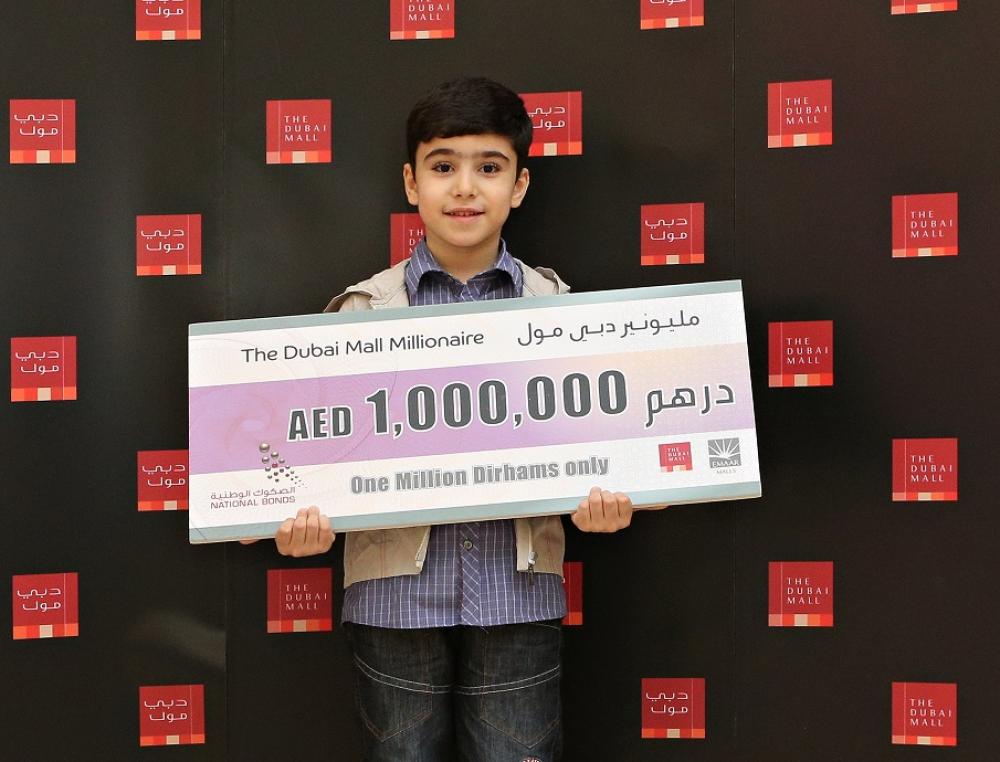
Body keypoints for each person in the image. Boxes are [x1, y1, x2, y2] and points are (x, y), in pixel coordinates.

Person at [265, 77, 643, 762]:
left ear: (519, 186)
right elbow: (311, 458)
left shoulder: (559, 309)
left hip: (518, 594)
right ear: (411, 182)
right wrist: (296, 517)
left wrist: (607, 499)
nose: (465, 188)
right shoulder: (362, 312)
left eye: (489, 168)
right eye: (443, 166)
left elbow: (603, 447)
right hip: (391, 601)